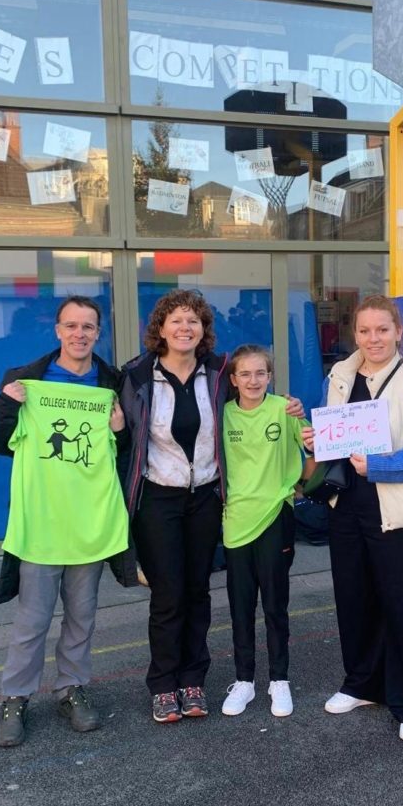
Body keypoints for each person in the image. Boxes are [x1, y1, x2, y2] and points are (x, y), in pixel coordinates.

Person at [119, 290, 303, 724]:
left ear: (204, 330)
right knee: (168, 595)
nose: (185, 328)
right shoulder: (138, 374)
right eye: (176, 320)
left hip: (205, 496)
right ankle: (164, 684)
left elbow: (254, 399)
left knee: (198, 589)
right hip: (158, 496)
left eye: (194, 321)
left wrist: (291, 408)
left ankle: (193, 679)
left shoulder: (219, 373)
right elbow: (124, 436)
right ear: (160, 328)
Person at [0, 296, 137, 748]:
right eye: (71, 326)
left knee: (82, 616)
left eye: (88, 327)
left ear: (98, 332)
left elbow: (127, 450)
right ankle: (15, 698)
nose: (79, 334)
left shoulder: (113, 383)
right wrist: (5, 405)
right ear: (57, 330)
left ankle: (71, 688)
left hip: (90, 523)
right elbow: (1, 442)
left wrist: (119, 431)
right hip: (42, 525)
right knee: (32, 620)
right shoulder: (26, 382)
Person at [302, 294, 403, 743]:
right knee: (356, 599)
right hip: (349, 507)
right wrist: (316, 442)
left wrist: (380, 466)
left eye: (382, 330)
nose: (373, 339)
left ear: (398, 331)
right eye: (365, 331)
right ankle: (363, 683)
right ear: (355, 334)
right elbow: (335, 441)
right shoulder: (340, 375)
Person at [220, 345, 312, 719]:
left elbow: (313, 447)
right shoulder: (222, 415)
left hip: (276, 515)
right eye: (245, 374)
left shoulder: (285, 410)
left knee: (275, 604)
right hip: (235, 521)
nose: (253, 380)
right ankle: (244, 680)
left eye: (261, 373)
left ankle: (279, 679)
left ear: (270, 377)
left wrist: (312, 432)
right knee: (241, 607)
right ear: (233, 380)